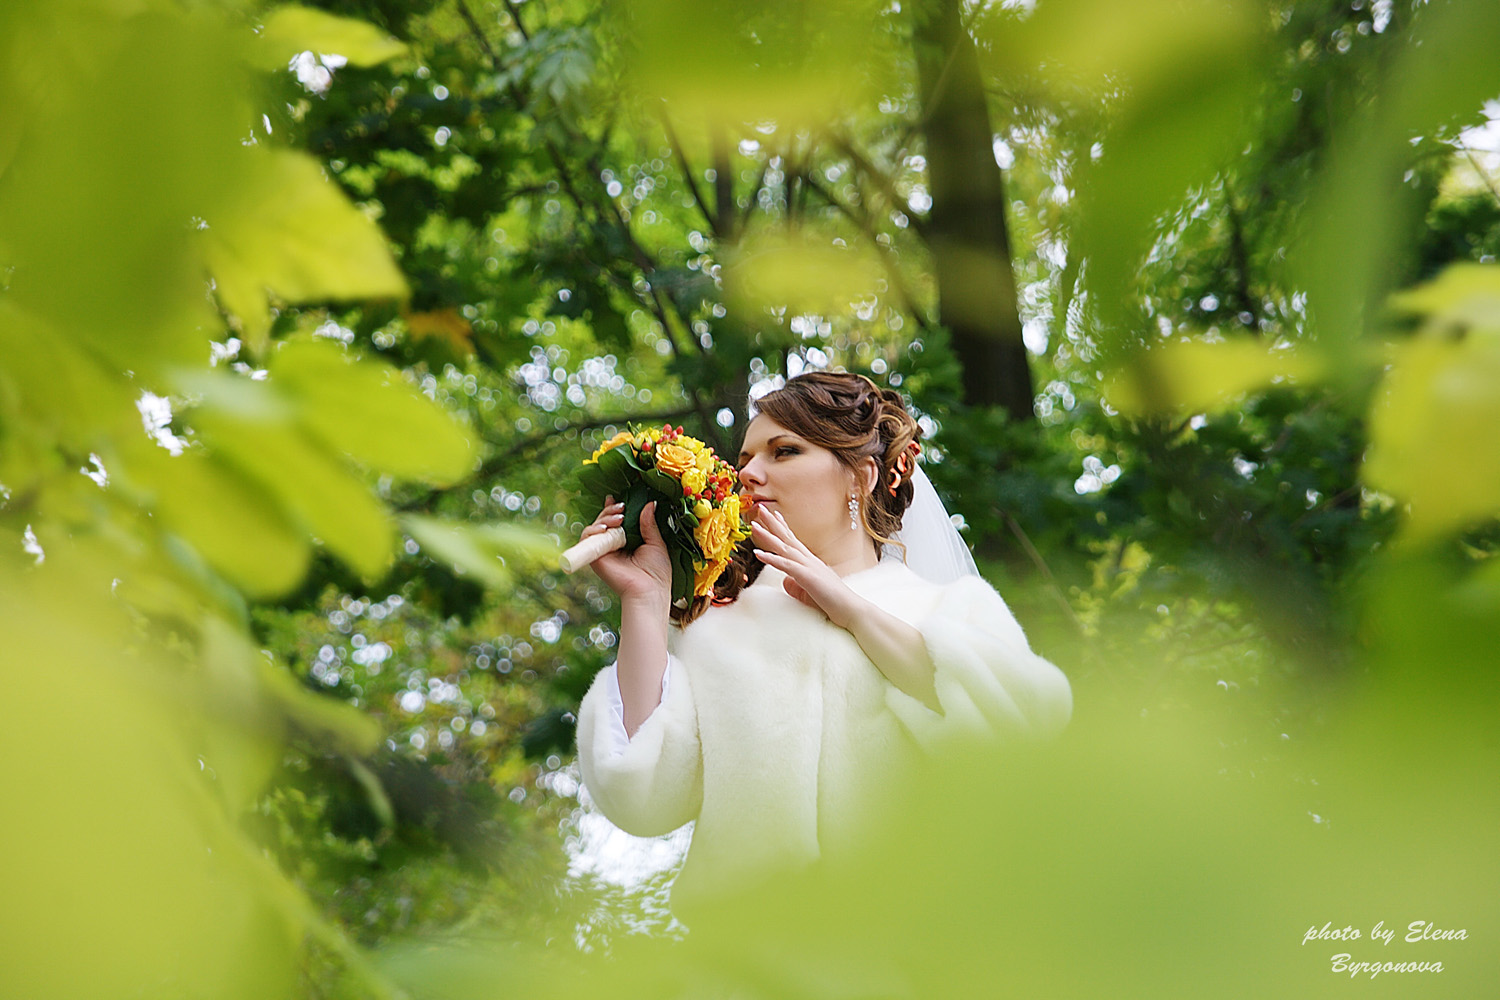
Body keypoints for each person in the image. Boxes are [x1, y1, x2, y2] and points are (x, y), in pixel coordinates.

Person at [573, 371, 1072, 916]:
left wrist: (850, 609)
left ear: (860, 476)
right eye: (744, 459)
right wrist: (644, 602)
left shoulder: (949, 611)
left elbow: (1022, 741)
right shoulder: (714, 626)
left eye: (784, 451)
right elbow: (642, 796)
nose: (748, 474)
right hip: (740, 953)